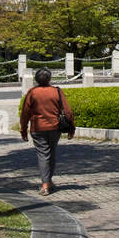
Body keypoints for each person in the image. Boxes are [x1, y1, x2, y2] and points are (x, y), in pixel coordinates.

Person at [20, 67, 75, 195]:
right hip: (55, 127)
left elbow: (25, 112)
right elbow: (67, 111)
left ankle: (45, 184)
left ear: (36, 79)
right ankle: (48, 180)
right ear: (50, 78)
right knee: (52, 153)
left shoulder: (32, 92)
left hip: (38, 128)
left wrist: (23, 129)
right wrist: (72, 127)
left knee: (43, 155)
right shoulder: (57, 91)